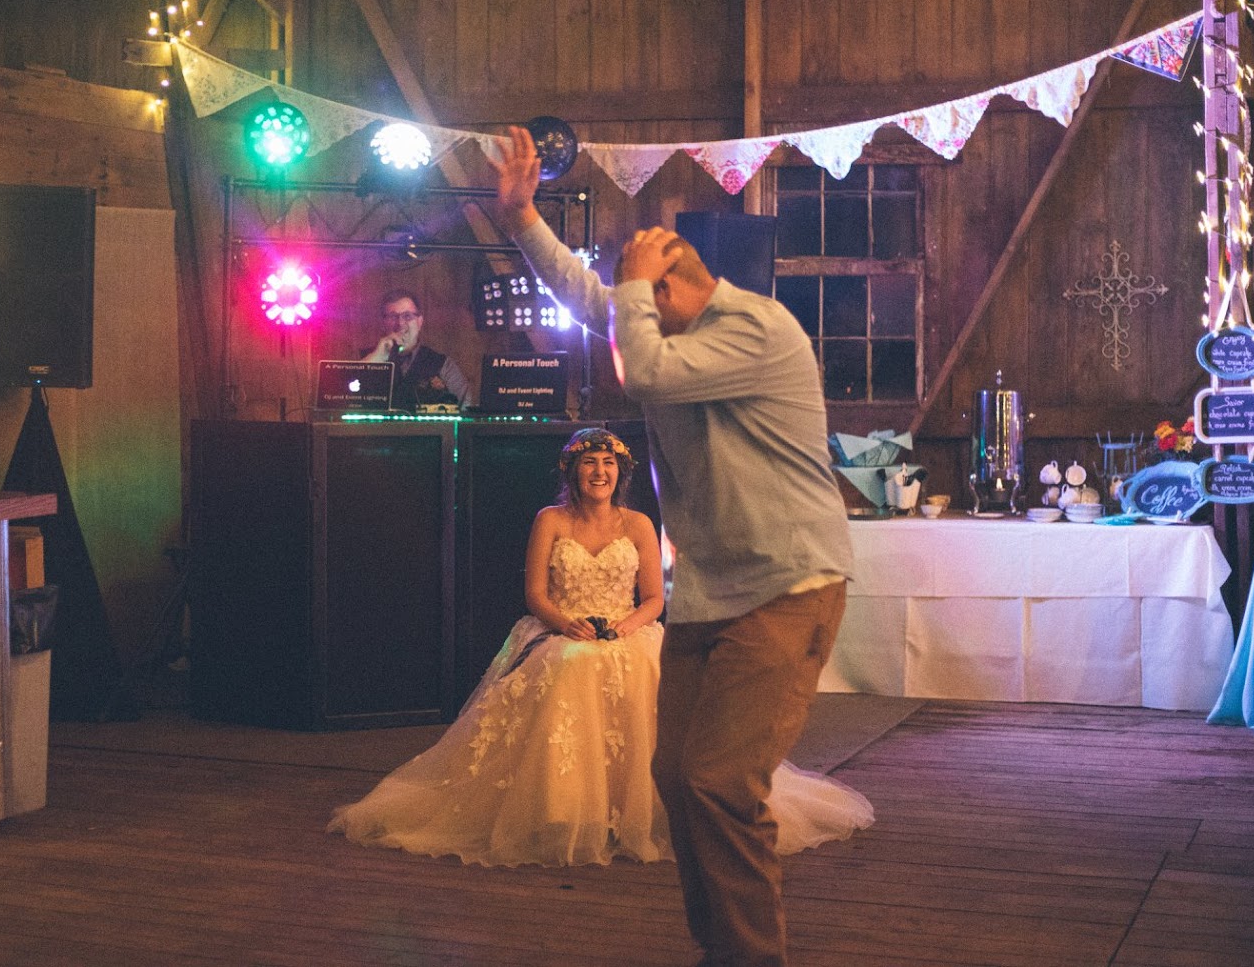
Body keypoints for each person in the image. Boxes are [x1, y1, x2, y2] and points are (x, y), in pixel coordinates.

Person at [490, 126, 856, 965]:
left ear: (672, 287)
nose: (626, 315)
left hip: (786, 586)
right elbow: (593, 302)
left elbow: (643, 370)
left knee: (721, 781)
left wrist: (626, 293)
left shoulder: (756, 328)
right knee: (675, 776)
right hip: (709, 593)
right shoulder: (660, 325)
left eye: (639, 297)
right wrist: (521, 219)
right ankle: (720, 948)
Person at [327, 429, 871, 869]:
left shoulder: (638, 524)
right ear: (573, 472)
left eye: (609, 464)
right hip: (563, 631)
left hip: (627, 630)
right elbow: (535, 593)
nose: (600, 472)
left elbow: (655, 598)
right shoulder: (550, 520)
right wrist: (567, 623)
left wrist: (626, 625)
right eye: (590, 463)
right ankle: (568, 811)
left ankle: (639, 814)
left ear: (621, 474)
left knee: (651, 696)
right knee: (569, 672)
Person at [360, 288, 475, 409]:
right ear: (383, 323)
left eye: (407, 316)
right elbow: (348, 397)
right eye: (393, 317)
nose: (400, 323)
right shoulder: (366, 359)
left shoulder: (442, 364)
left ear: (419, 322)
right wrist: (376, 358)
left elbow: (465, 408)